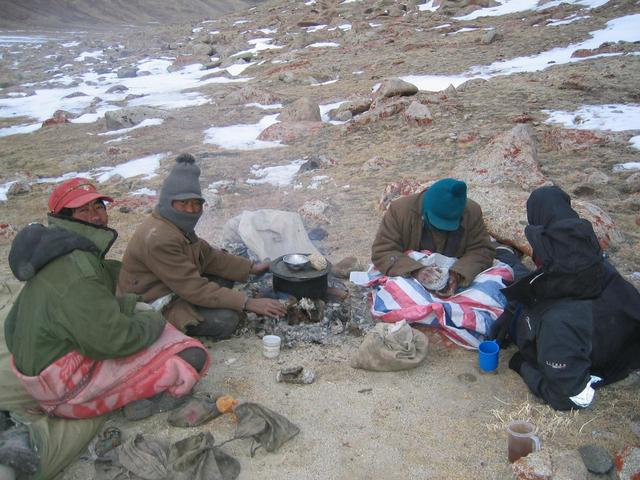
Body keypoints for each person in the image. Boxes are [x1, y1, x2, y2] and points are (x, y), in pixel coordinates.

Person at [0, 177, 210, 479]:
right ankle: (129, 399)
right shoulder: (78, 270)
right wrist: (152, 318)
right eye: (84, 211)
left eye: (98, 207)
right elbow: (114, 339)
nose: (97, 216)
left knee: (132, 311)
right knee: (190, 353)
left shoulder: (55, 255)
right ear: (62, 217)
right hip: (61, 384)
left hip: (36, 365)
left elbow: (12, 326)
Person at [491, 185, 640, 410]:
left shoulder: (559, 317)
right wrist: (511, 311)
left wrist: (521, 365)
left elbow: (569, 397)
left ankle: (506, 257)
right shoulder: (594, 264)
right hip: (623, 346)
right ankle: (507, 257)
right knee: (517, 281)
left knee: (516, 281)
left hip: (593, 359)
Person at [118, 153, 287, 338]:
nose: (191, 210)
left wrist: (251, 268)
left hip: (174, 287)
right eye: (184, 203)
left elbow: (209, 256)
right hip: (153, 303)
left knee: (227, 278)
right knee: (227, 320)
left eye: (196, 204)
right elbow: (193, 287)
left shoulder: (175, 226)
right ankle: (173, 324)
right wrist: (248, 303)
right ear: (168, 202)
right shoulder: (158, 237)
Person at [371, 178, 495, 296]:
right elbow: (383, 251)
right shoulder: (400, 211)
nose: (442, 229)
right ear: (425, 209)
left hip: (453, 267)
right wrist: (417, 271)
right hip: (411, 269)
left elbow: (481, 250)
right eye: (437, 223)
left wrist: (457, 275)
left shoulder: (471, 212)